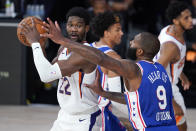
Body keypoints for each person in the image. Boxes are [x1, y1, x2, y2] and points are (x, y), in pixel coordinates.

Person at [40, 16, 178, 130]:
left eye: (133, 42)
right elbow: (133, 99)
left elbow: (102, 58)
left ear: (140, 51)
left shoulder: (134, 68)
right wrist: (104, 93)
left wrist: (63, 40)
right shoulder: (161, 70)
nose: (129, 42)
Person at [20, 7, 102, 131]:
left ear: (87, 28)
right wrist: (41, 45)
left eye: (78, 26)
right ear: (66, 27)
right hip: (64, 116)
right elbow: (49, 79)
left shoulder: (85, 54)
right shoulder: (63, 49)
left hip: (84, 119)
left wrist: (35, 44)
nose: (73, 29)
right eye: (70, 25)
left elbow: (46, 75)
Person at [153, 1, 192, 131]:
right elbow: (156, 72)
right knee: (181, 127)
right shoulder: (171, 46)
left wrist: (181, 74)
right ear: (176, 20)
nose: (190, 20)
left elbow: (171, 61)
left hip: (168, 85)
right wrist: (172, 102)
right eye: (186, 18)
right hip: (166, 88)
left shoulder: (168, 29)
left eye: (190, 16)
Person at [88, 11, 129, 131]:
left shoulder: (88, 48)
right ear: (106, 33)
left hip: (87, 107)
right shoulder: (113, 58)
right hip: (102, 112)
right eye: (117, 30)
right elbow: (115, 98)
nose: (122, 33)